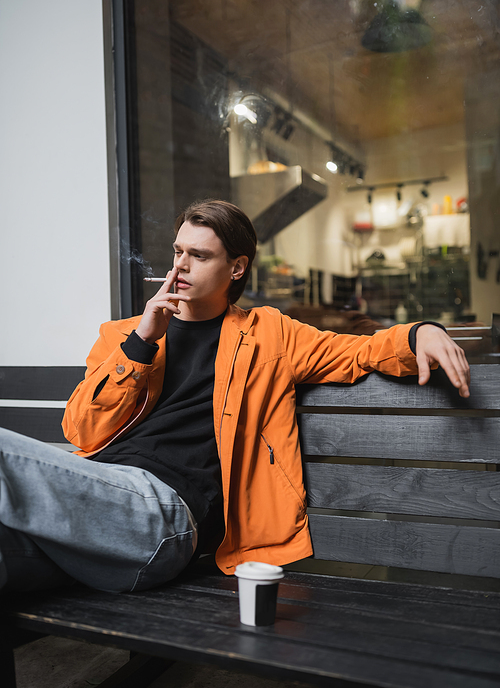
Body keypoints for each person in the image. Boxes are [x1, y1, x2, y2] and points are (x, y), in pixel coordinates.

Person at [0, 200, 470, 593]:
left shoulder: (269, 334)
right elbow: (81, 431)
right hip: (97, 510)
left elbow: (359, 352)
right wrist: (141, 343)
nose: (179, 266)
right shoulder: (122, 337)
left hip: (163, 516)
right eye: (177, 251)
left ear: (237, 267)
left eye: (199, 256)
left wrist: (421, 333)